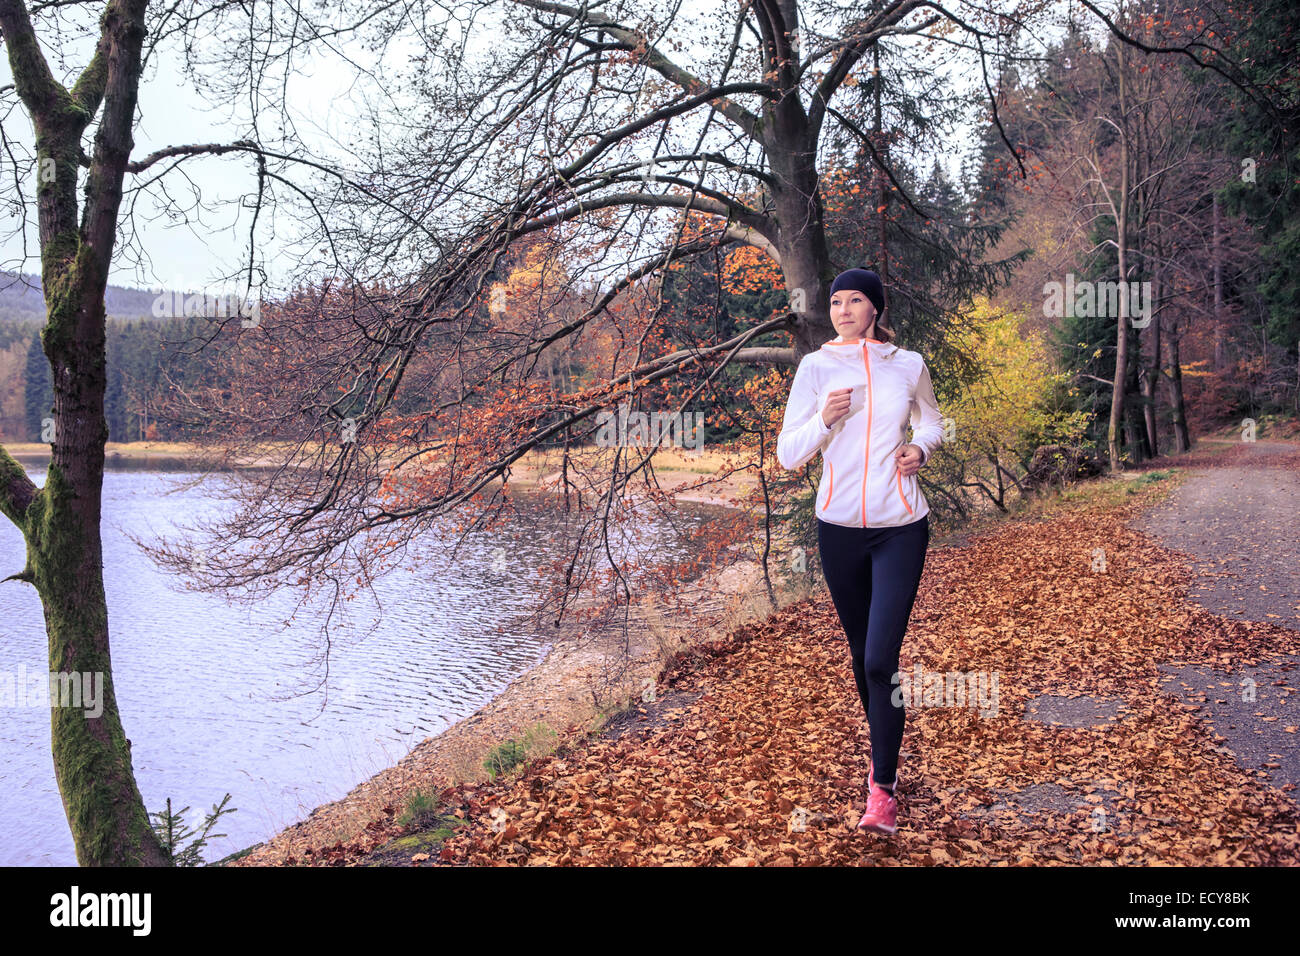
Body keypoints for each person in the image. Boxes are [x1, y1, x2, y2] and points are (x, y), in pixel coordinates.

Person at [776, 267, 946, 835]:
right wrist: (824, 420)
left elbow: (933, 418)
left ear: (875, 307)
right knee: (863, 657)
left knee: (879, 659)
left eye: (855, 300)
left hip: (901, 525)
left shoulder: (909, 364)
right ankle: (883, 747)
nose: (843, 309)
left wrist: (920, 448)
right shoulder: (817, 367)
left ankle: (882, 791)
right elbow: (787, 455)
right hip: (839, 529)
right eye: (836, 301)